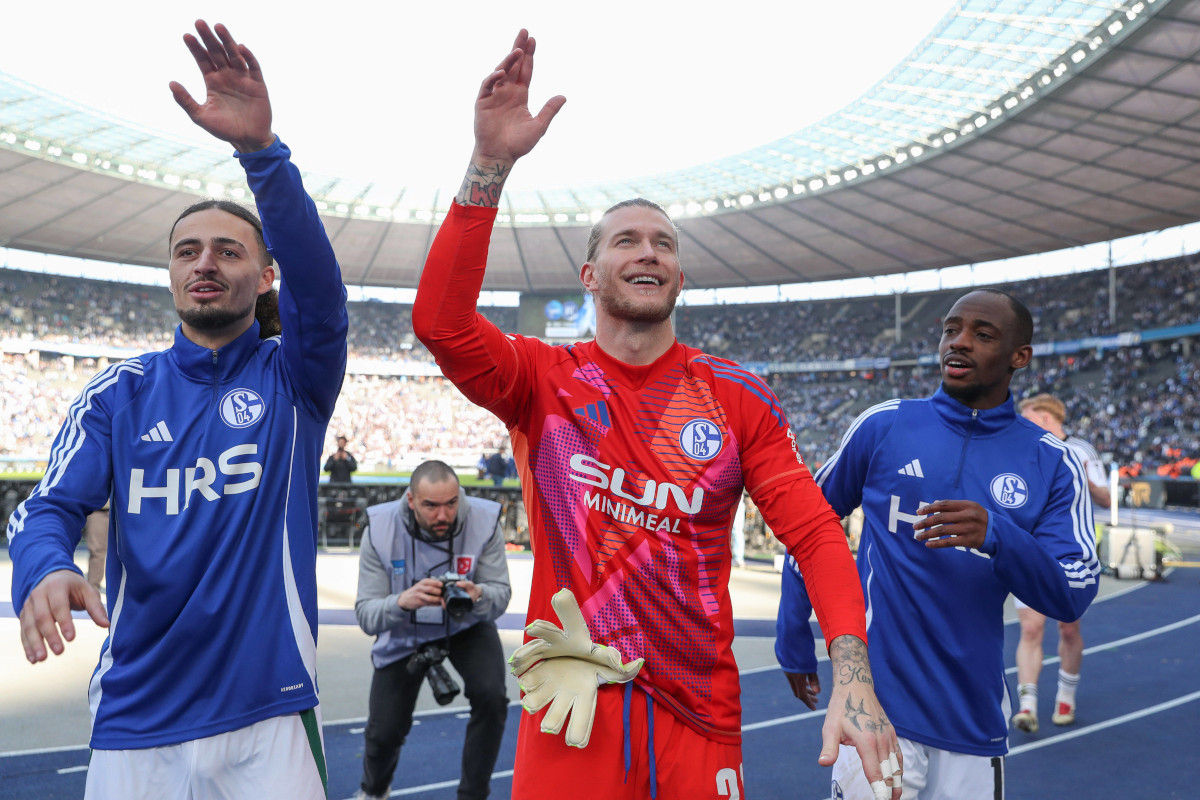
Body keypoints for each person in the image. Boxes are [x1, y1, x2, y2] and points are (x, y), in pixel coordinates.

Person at [413, 30, 901, 800]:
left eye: (665, 243)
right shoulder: (541, 378)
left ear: (677, 273)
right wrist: (490, 166)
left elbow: (812, 532)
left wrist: (853, 673)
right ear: (590, 272)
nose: (649, 251)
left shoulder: (736, 397)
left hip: (698, 713)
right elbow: (441, 323)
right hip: (570, 703)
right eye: (627, 240)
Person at [8, 20, 348, 799]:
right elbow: (48, 508)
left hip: (270, 717)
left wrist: (263, 156)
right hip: (137, 719)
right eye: (186, 249)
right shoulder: (116, 394)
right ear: (169, 272)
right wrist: (45, 569)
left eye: (228, 250)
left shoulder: (293, 379)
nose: (204, 262)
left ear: (266, 276)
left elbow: (323, 300)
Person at [778, 289, 1101, 800]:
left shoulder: (1052, 463)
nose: (960, 342)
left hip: (973, 723)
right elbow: (807, 528)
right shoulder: (884, 425)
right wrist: (793, 636)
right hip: (877, 710)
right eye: (952, 329)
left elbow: (1074, 590)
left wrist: (999, 537)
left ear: (1020, 357)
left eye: (983, 334)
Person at [354, 460, 512, 800]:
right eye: (431, 505)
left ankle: (474, 795)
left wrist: (478, 594)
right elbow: (367, 616)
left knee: (492, 696)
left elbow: (501, 597)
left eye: (451, 503)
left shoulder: (484, 520)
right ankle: (374, 791)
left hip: (465, 625)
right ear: (411, 500)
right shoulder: (380, 528)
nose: (443, 515)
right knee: (383, 732)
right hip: (403, 629)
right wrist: (403, 601)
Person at [1011, 393, 1111, 733]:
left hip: (1071, 551)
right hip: (1031, 550)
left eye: (1026, 417)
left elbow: (1108, 498)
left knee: (1069, 627)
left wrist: (1086, 479)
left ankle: (1065, 696)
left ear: (1044, 418)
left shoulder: (1082, 450)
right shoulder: (1024, 450)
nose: (1019, 424)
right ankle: (1027, 704)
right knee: (1029, 627)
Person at [84, 504, 109, 591]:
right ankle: (92, 590)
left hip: (126, 506)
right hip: (98, 507)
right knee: (96, 551)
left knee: (128, 550)